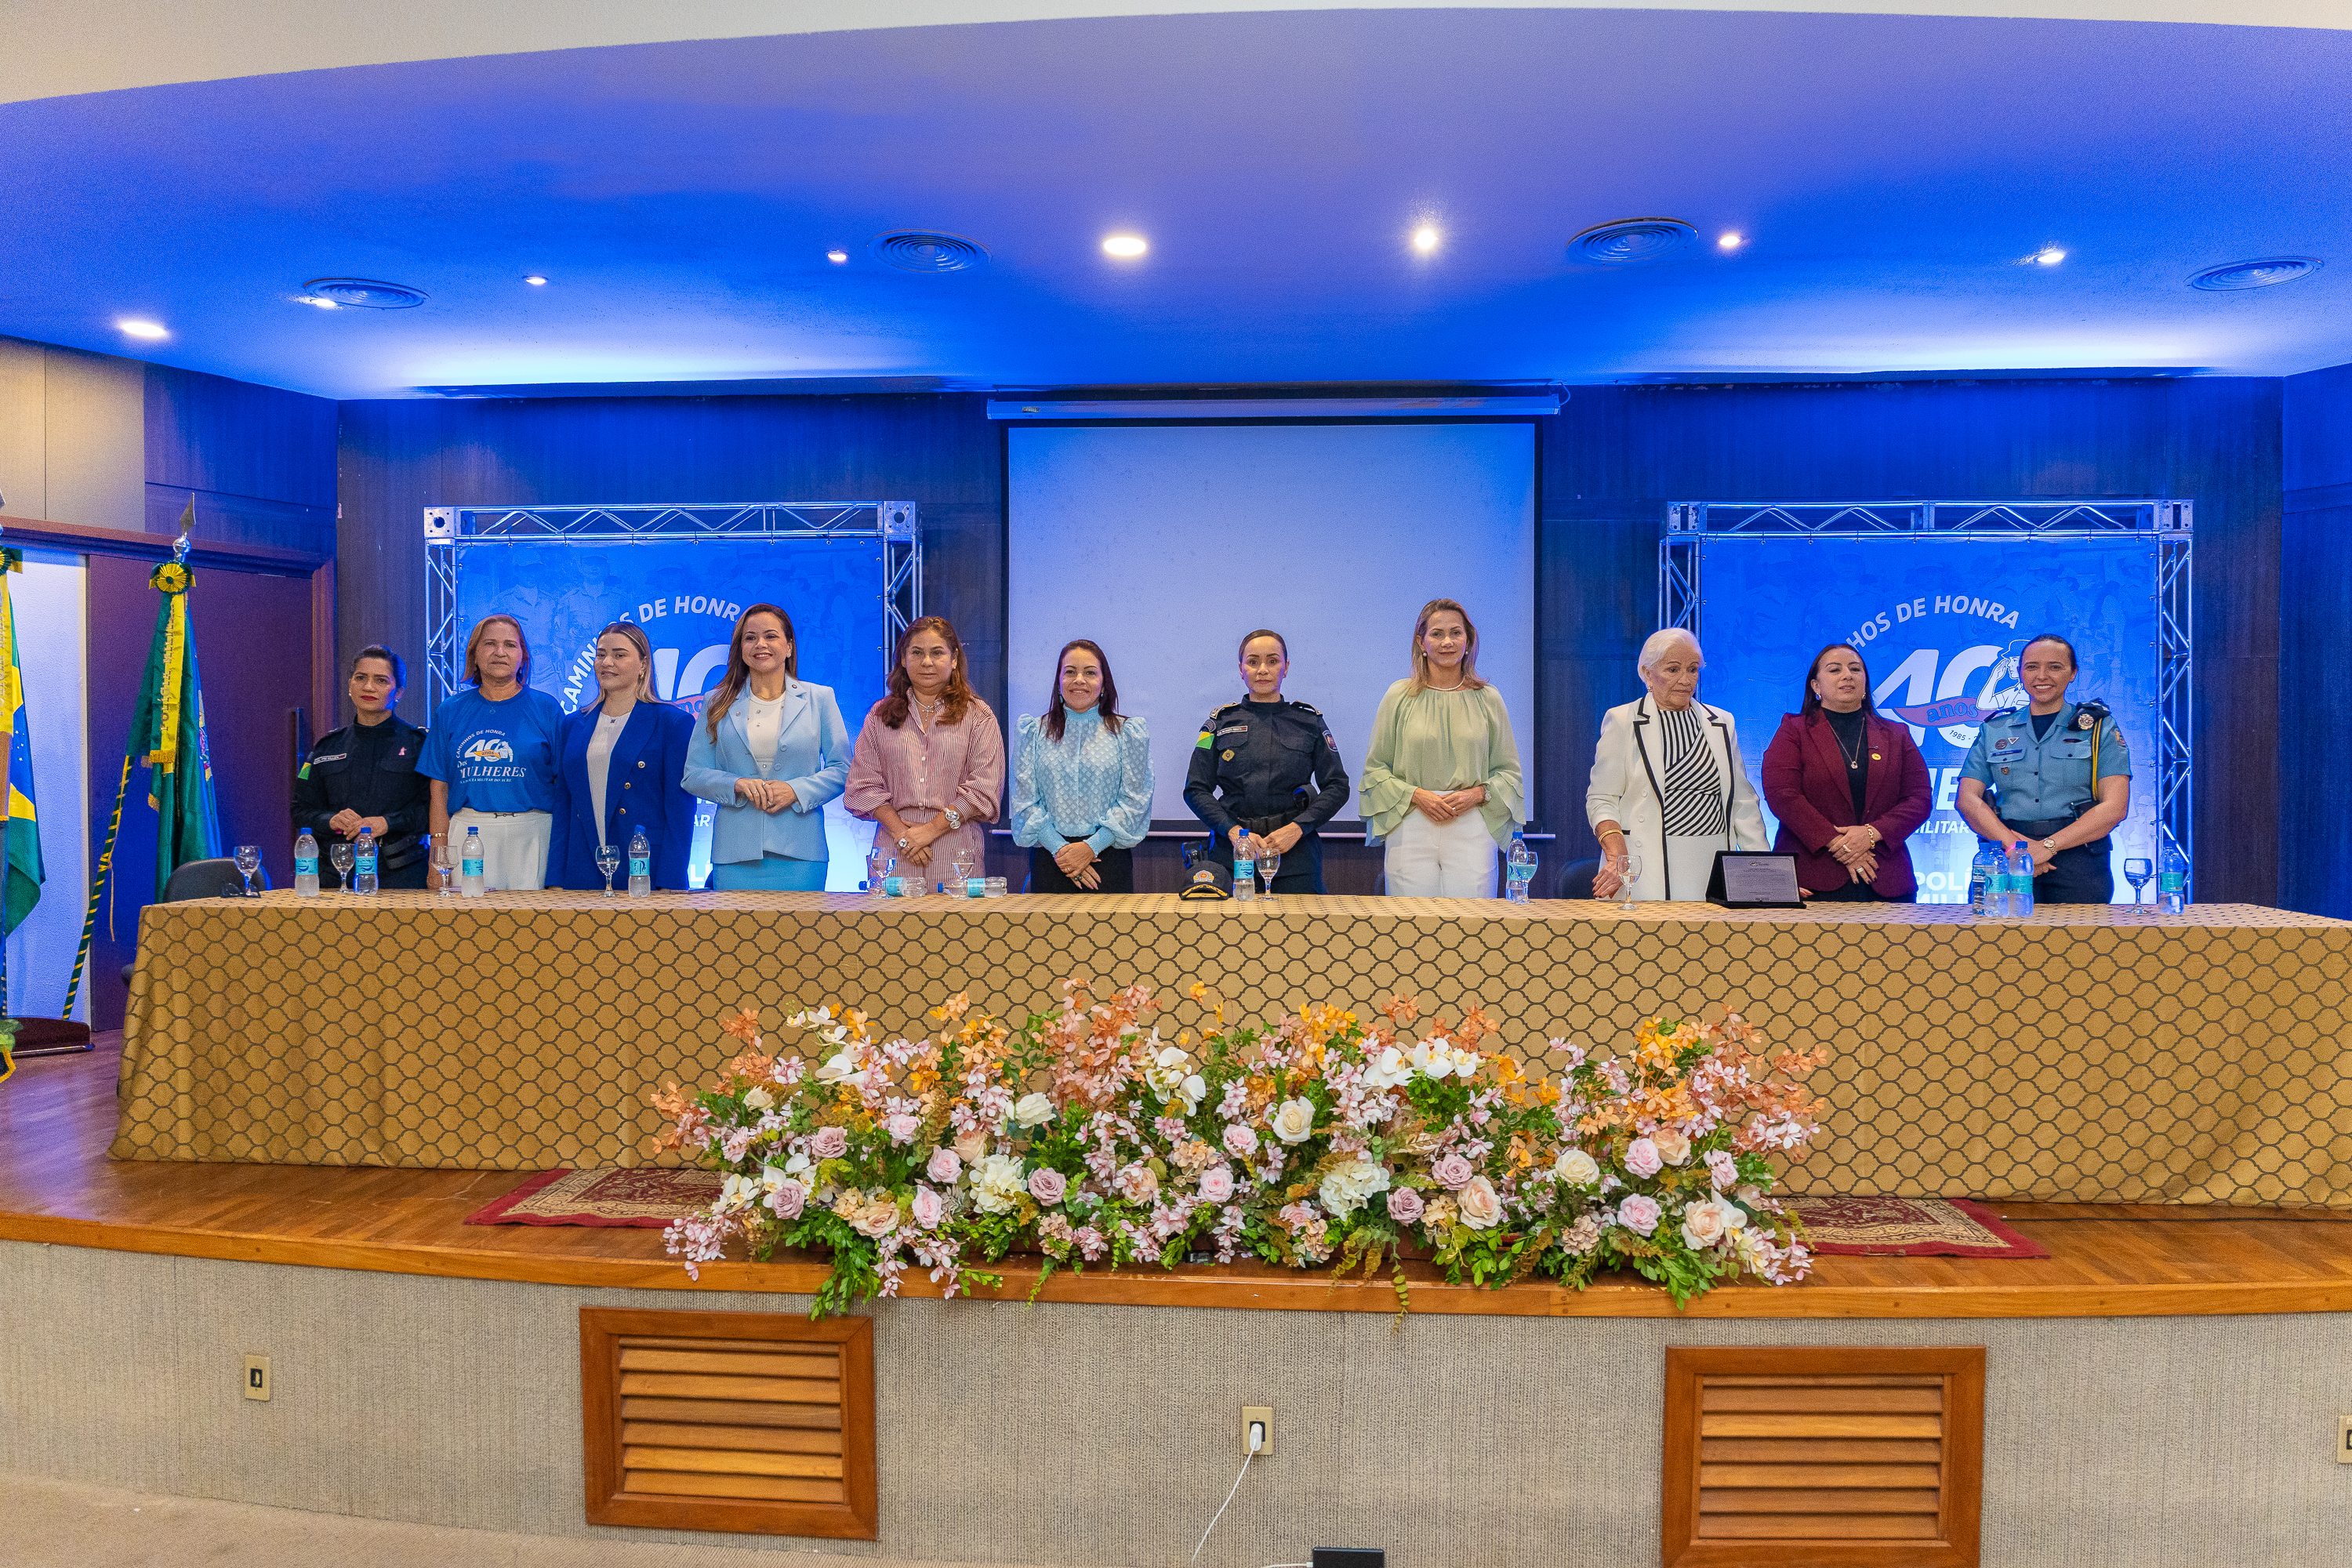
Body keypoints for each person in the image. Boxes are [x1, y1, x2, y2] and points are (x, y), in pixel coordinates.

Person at [1588, 629, 1769, 902]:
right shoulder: (1622, 720)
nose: (1686, 680)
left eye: (1693, 669)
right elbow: (1601, 799)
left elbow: (1743, 803)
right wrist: (1616, 858)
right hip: (1643, 871)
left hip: (1712, 867)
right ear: (1647, 673)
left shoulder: (1722, 723)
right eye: (1673, 670)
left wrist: (1766, 873)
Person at [1359, 598, 1525, 898]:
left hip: (1472, 822)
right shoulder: (1398, 696)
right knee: (1410, 926)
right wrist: (1417, 796)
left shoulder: (1489, 698)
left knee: (1474, 926)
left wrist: (1476, 794)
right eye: (1436, 634)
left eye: (1456, 633)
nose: (1447, 641)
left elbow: (1509, 772)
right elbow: (1375, 770)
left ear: (1468, 640)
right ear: (1421, 643)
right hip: (1411, 822)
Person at [681, 604, 851, 891]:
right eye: (750, 638)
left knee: (801, 937)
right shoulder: (715, 702)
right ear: (740, 649)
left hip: (801, 852)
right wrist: (736, 784)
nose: (760, 644)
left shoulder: (820, 698)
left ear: (788, 646)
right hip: (735, 854)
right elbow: (693, 774)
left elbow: (843, 768)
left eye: (770, 636)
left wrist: (795, 791)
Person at [1955, 633, 2132, 903]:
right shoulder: (1995, 729)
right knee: (1993, 942)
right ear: (2020, 673)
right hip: (2005, 854)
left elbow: (2115, 806)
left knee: (2080, 944)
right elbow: (1968, 799)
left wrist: (2048, 847)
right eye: (2032, 667)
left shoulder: (2099, 728)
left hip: (2078, 858)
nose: (2042, 676)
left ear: (2073, 673)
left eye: (2055, 667)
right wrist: (2017, 848)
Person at [1759, 643, 1933, 902]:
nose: (1847, 675)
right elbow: (1783, 795)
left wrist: (1870, 834)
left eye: (1855, 669)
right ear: (1816, 687)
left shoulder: (1897, 735)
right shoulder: (1794, 730)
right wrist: (1838, 843)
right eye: (1834, 670)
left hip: (1885, 878)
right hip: (1813, 878)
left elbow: (1919, 800)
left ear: (1865, 683)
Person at [1182, 628, 1351, 895]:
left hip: (1296, 856)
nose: (1263, 670)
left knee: (1300, 934)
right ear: (1241, 669)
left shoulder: (1309, 722)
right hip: (1232, 855)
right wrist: (1233, 832)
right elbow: (1195, 789)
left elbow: (1338, 786)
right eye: (1253, 662)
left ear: (1285, 668)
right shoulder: (1217, 724)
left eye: (1272, 661)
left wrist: (1297, 829)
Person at [844, 617, 1004, 883]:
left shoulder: (978, 715)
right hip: (894, 852)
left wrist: (930, 830)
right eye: (916, 653)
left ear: (954, 659)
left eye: (937, 653)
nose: (926, 662)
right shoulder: (879, 715)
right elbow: (861, 787)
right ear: (904, 660)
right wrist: (902, 834)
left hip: (956, 852)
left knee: (956, 926)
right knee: (886, 925)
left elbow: (984, 791)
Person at [419, 613, 567, 891]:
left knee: (536, 929)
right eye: (490, 644)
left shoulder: (547, 709)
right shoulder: (450, 711)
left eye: (510, 645)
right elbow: (439, 789)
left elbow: (564, 788)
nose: (500, 652)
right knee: (466, 929)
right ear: (474, 654)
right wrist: (437, 858)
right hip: (467, 833)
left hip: (533, 833)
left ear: (523, 656)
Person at [546, 621, 697, 891]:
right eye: (601, 654)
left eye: (619, 654)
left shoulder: (672, 723)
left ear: (643, 665)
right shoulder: (573, 725)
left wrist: (671, 882)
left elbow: (680, 811)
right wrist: (555, 879)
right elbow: (564, 808)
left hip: (644, 868)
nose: (607, 662)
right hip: (582, 867)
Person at [1011, 639, 1151, 893]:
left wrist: (1090, 848)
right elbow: (1024, 801)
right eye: (1070, 672)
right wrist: (1062, 851)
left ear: (1104, 682)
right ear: (1059, 681)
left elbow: (1135, 800)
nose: (1079, 680)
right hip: (1051, 859)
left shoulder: (1128, 732)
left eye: (1090, 672)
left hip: (1107, 861)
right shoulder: (1033, 731)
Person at [290, 644, 432, 889]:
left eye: (381, 680)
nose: (369, 687)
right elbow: (300, 810)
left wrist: (388, 822)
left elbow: (435, 810)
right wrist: (330, 819)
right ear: (350, 685)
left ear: (398, 691)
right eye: (361, 678)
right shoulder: (326, 747)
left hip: (402, 874)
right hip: (336, 874)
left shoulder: (420, 745)